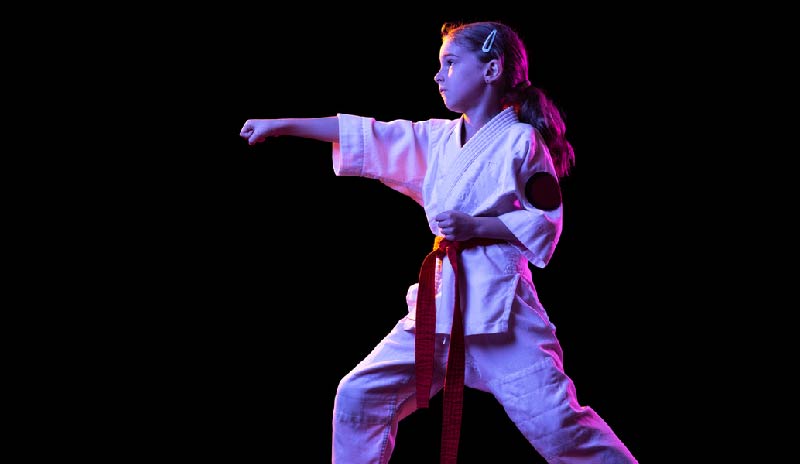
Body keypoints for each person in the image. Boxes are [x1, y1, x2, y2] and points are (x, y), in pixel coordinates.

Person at [240, 20, 637, 464]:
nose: (438, 74)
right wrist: (283, 125)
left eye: (450, 63)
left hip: (499, 311)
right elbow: (372, 134)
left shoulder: (520, 141)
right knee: (359, 396)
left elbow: (544, 222)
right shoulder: (440, 138)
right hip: (439, 308)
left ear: (491, 70)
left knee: (559, 427)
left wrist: (476, 226)